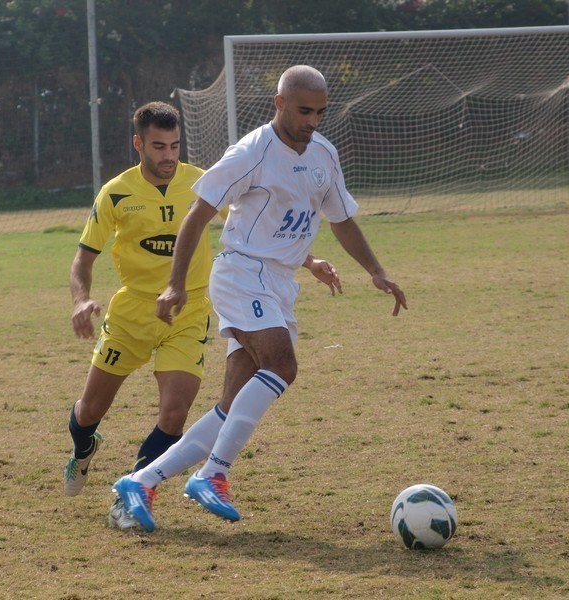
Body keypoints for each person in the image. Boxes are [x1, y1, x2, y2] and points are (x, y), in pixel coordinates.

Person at [111, 65, 407, 532]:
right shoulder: (251, 152)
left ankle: (142, 481)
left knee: (231, 405)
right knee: (282, 366)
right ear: (279, 103)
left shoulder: (323, 156)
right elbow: (198, 213)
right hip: (242, 273)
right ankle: (214, 473)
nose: (312, 121)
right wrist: (175, 283)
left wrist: (376, 271)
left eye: (320, 112)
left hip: (280, 283)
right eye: (304, 110)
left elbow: (341, 219)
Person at [64, 100, 340, 531]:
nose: (168, 155)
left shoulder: (201, 180)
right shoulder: (115, 192)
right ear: (139, 145)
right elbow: (82, 260)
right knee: (88, 412)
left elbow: (256, 228)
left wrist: (310, 261)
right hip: (133, 310)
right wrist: (81, 299)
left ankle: (133, 494)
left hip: (190, 310)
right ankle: (83, 449)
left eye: (174, 146)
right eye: (158, 146)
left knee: (174, 414)